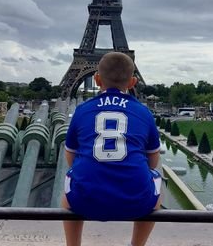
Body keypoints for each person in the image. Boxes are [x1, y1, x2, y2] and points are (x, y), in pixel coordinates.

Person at [62, 52, 161, 246]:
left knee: (68, 190)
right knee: (156, 179)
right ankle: (136, 244)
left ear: (97, 79)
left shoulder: (83, 110)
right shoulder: (143, 112)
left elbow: (70, 155)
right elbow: (153, 160)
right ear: (132, 82)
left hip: (85, 199)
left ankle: (73, 245)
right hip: (135, 201)